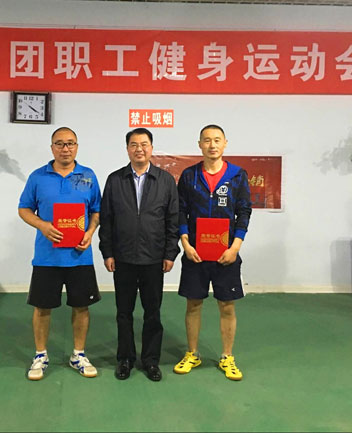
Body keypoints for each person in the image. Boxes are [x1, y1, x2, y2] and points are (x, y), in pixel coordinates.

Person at [18, 127, 102, 380]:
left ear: (77, 146)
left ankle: (78, 354)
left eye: (70, 143)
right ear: (52, 147)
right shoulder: (37, 177)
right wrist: (42, 225)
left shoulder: (88, 176)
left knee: (81, 306)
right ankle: (40, 355)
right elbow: (24, 209)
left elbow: (96, 210)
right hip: (47, 258)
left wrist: (90, 232)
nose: (65, 149)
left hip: (79, 256)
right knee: (42, 307)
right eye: (60, 144)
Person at [99, 127, 180, 382]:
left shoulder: (165, 181)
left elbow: (173, 220)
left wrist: (170, 253)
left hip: (153, 258)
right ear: (127, 149)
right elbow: (107, 219)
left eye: (144, 144)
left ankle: (151, 360)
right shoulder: (115, 180)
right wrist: (107, 252)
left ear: (151, 148)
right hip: (122, 257)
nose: (139, 149)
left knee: (152, 312)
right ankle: (125, 358)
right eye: (134, 144)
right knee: (124, 312)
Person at [173, 124, 252, 381]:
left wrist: (235, 247)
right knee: (193, 304)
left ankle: (227, 356)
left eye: (217, 140)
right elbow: (180, 211)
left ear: (225, 143)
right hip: (195, 253)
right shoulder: (189, 175)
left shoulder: (238, 175)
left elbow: (244, 212)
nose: (212, 145)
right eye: (207, 140)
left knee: (227, 306)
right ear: (200, 144)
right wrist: (186, 244)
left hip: (226, 254)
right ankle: (192, 353)